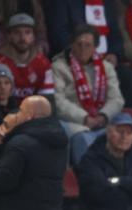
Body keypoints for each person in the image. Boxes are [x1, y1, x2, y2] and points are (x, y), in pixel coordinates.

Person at [52, 24, 125, 164]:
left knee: (124, 129)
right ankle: (88, 176)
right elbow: (58, 101)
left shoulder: (106, 67)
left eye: (88, 45)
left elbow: (116, 99)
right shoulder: (58, 67)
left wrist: (103, 115)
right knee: (83, 138)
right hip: (74, 122)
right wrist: (85, 118)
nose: (82, 49)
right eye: (78, 44)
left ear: (95, 47)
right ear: (71, 45)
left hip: (102, 120)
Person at [75, 112, 132, 210]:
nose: (124, 136)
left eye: (129, 132)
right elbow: (99, 194)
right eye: (119, 131)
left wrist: (120, 181)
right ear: (108, 132)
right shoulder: (90, 160)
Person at [0, 13, 54, 99]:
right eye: (17, 32)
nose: (22, 38)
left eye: (27, 32)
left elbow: (47, 99)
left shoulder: (43, 63)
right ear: (9, 36)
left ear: (33, 37)